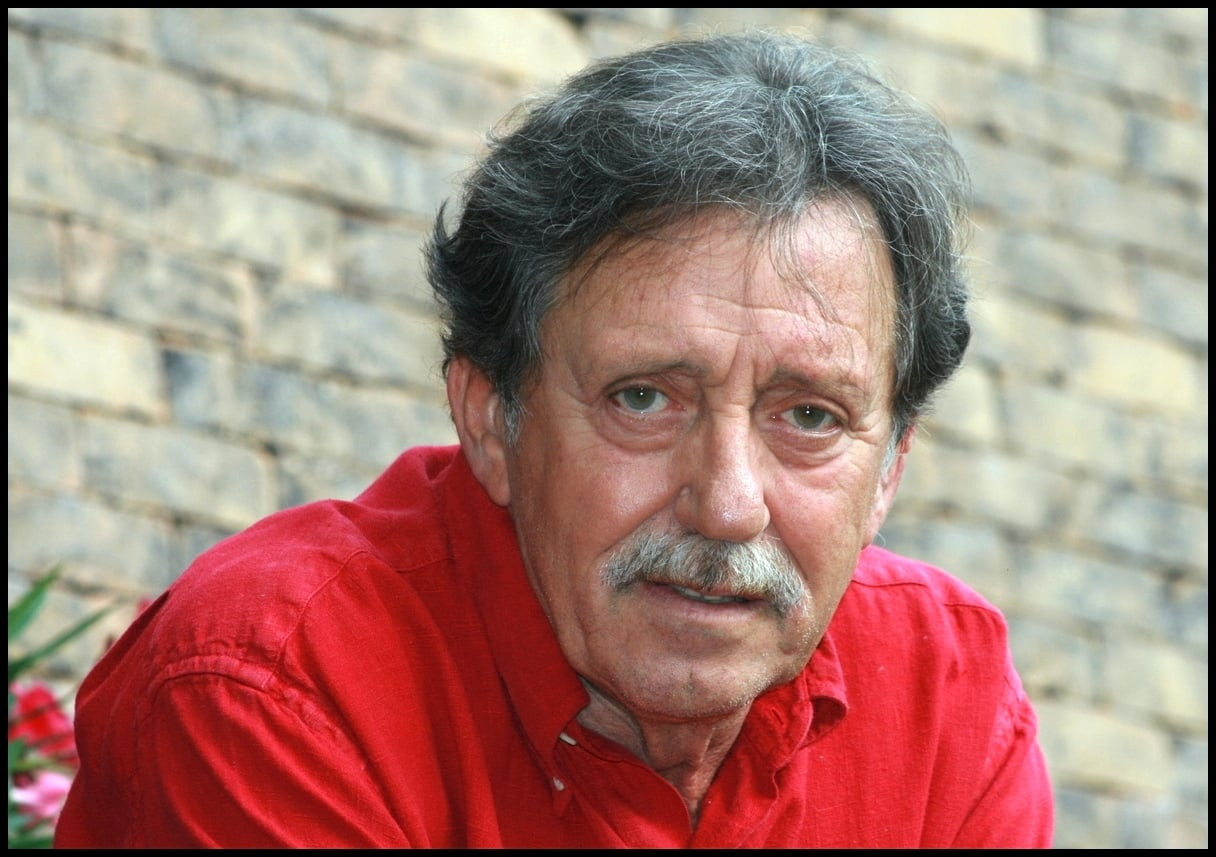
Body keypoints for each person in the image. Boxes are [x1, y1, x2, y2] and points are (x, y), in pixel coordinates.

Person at [55, 31, 1054, 848]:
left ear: (889, 471)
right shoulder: (274, 687)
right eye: (643, 399)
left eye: (809, 416)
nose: (727, 503)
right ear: (491, 417)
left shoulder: (946, 699)